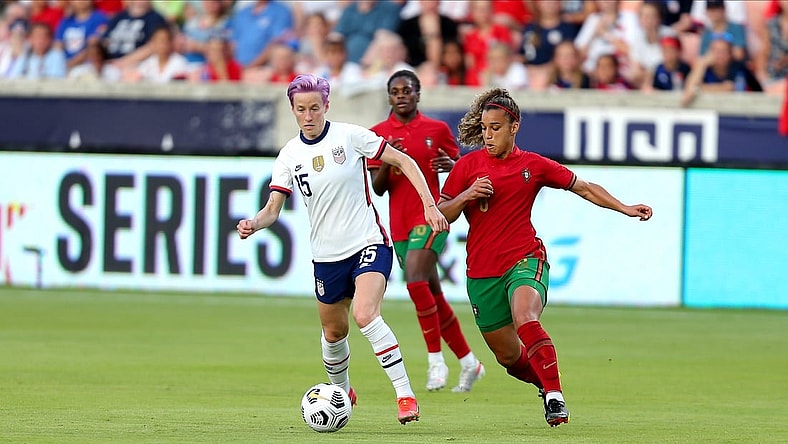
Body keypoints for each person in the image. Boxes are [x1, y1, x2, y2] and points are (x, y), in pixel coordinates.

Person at [236, 74, 449, 425]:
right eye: (301, 109)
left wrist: (429, 204)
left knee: (365, 314)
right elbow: (273, 208)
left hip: (368, 242)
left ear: (326, 106)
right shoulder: (289, 154)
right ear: (292, 109)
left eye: (315, 108)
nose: (308, 115)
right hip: (326, 256)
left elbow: (404, 162)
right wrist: (254, 223)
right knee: (334, 333)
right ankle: (342, 392)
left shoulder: (350, 136)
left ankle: (405, 395)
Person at [437, 88, 653, 427]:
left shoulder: (533, 166)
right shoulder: (467, 167)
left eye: (495, 127)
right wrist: (466, 195)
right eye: (484, 128)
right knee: (508, 358)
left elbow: (583, 186)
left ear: (514, 127)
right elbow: (440, 216)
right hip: (481, 273)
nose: (488, 135)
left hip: (525, 258)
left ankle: (555, 397)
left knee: (526, 316)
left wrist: (624, 208)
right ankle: (546, 384)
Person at [368, 70, 485, 393]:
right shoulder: (377, 135)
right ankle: (469, 362)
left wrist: (450, 166)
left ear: (419, 94)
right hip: (401, 225)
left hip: (432, 215)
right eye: (395, 91)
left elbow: (459, 167)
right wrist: (388, 157)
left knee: (415, 280)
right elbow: (378, 189)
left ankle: (436, 361)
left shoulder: (436, 130)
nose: (401, 95)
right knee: (432, 294)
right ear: (389, 97)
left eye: (408, 90)